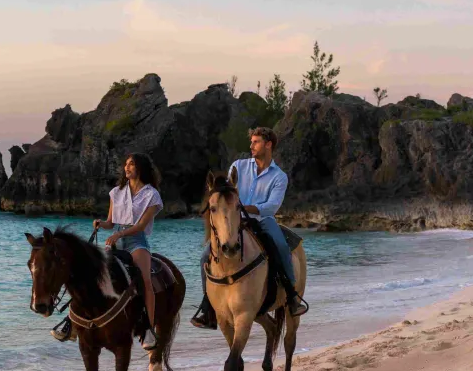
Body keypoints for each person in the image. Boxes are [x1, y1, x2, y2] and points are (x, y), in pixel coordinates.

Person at [191, 126, 309, 330]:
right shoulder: (239, 166)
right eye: (251, 141)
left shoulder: (279, 177)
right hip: (237, 222)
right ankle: (208, 307)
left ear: (268, 144)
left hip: (262, 220)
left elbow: (271, 207)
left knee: (280, 247)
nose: (251, 146)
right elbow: (228, 193)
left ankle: (292, 297)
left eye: (256, 142)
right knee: (205, 256)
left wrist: (244, 207)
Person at [52, 152, 164, 351]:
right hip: (116, 238)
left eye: (131, 164)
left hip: (136, 241)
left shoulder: (152, 195)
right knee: (89, 275)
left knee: (145, 280)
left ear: (141, 168)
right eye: (126, 164)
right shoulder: (116, 192)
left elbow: (141, 225)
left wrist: (119, 236)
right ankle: (71, 323)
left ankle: (148, 328)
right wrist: (101, 224)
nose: (127, 168)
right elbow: (111, 222)